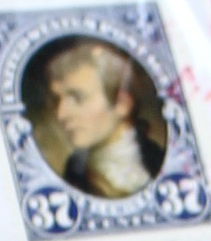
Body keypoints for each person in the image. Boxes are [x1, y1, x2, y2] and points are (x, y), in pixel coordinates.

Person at [31, 36, 166, 199]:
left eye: (77, 97)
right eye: (57, 100)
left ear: (122, 103)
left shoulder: (158, 161)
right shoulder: (74, 174)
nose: (61, 114)